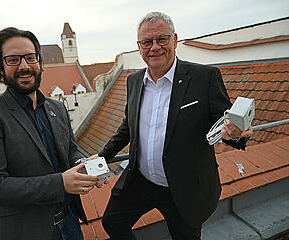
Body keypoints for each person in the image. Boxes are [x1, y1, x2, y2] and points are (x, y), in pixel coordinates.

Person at [94, 12, 253, 240]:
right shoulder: (134, 80)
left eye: (162, 39)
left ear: (175, 40)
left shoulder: (204, 77)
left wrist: (237, 134)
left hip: (183, 188)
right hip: (142, 181)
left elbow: (226, 125)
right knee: (112, 223)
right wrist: (101, 157)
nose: (155, 47)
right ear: (139, 46)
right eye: (147, 42)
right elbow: (128, 127)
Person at [0, 27, 99, 240]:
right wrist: (60, 183)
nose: (25, 66)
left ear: (39, 62)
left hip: (70, 224)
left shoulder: (57, 108)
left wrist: (83, 165)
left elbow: (70, 151)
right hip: (23, 232)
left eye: (30, 57)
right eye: (13, 60)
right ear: (1, 66)